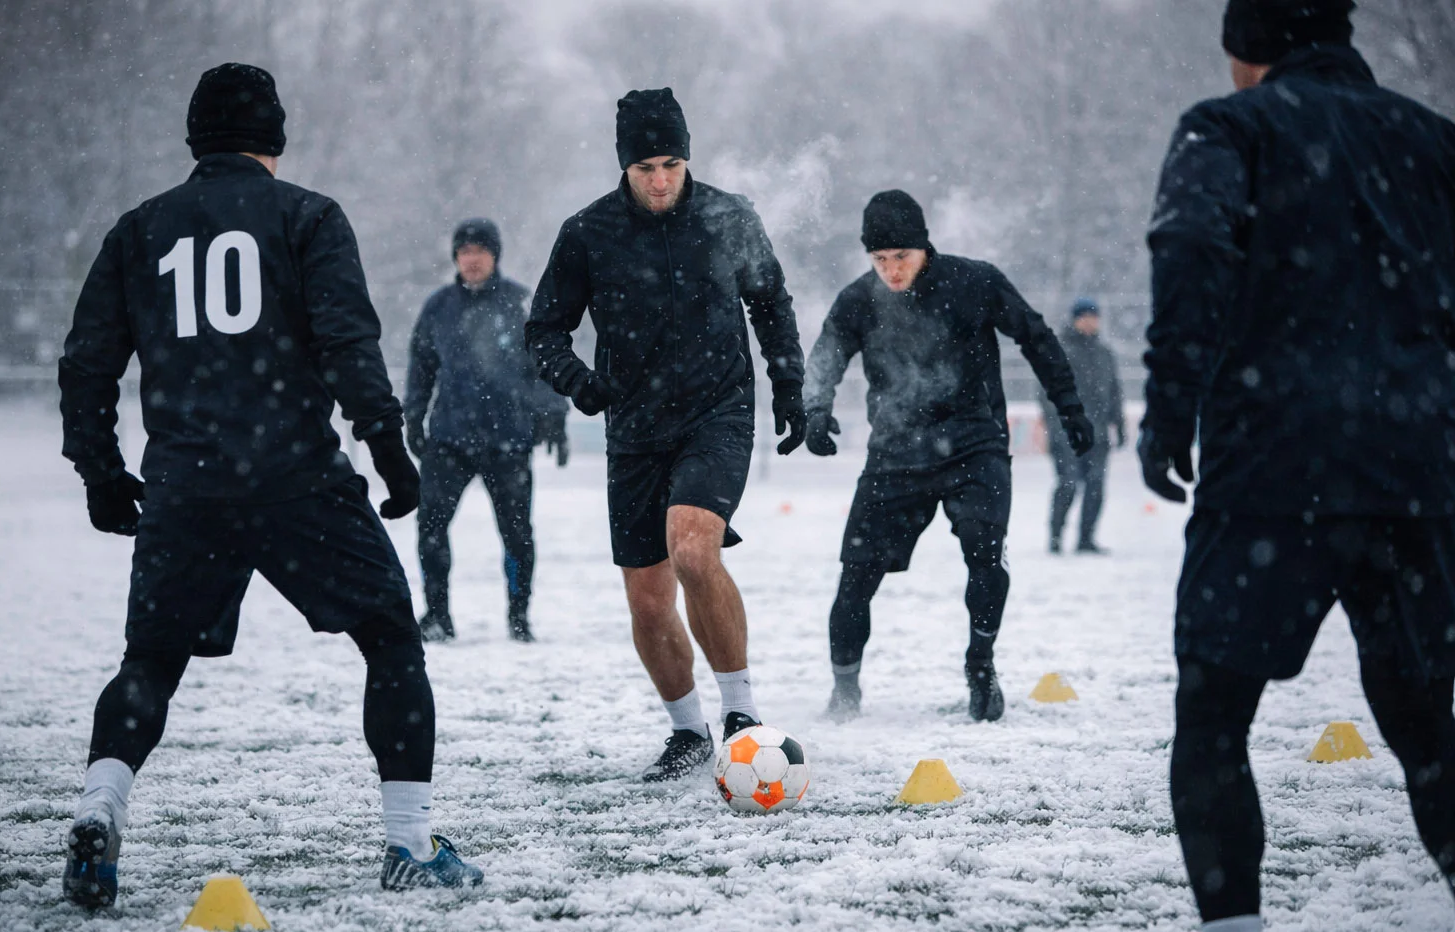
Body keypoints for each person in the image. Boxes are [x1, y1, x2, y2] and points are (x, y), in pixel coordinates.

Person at [57, 64, 482, 905]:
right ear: (274, 141)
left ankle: (100, 809)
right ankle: (409, 845)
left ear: (194, 140)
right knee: (392, 638)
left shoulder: (139, 229)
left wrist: (102, 473)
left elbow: (86, 366)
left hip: (187, 484)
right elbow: (347, 345)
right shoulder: (309, 216)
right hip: (296, 477)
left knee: (148, 663)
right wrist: (391, 454)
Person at [1139, 2, 1455, 932]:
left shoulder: (1226, 124)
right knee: (1427, 724)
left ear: (1247, 51)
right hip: (1416, 472)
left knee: (1214, 719)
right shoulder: (1435, 140)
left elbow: (1191, 249)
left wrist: (1169, 404)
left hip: (1273, 468)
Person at [526, 88, 807, 781]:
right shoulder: (587, 232)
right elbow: (543, 331)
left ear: (687, 159)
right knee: (649, 603)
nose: (659, 179)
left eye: (672, 163)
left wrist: (791, 384)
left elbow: (770, 304)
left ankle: (742, 713)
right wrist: (579, 381)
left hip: (719, 412)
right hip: (635, 429)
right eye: (646, 165)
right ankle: (688, 734)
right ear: (624, 166)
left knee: (691, 547)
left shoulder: (728, 215)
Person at [804, 190, 1093, 723]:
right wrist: (814, 411)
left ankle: (980, 665)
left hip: (973, 446)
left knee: (986, 558)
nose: (891, 270)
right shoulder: (858, 299)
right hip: (894, 454)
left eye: (902, 258)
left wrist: (1069, 407)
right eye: (880, 259)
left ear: (925, 248)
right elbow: (825, 354)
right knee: (854, 577)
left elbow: (1036, 336)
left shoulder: (975, 282)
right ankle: (845, 689)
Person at [404, 217, 569, 644]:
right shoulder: (438, 307)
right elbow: (421, 368)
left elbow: (544, 364)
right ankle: (437, 615)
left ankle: (519, 617)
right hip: (450, 439)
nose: (472, 259)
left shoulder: (519, 303)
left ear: (495, 256)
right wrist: (413, 418)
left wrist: (555, 415)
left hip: (507, 440)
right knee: (430, 528)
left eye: (480, 251)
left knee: (517, 534)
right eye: (464, 252)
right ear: (455, 258)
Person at [1040, 297, 1125, 554]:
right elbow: (1047, 393)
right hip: (1068, 433)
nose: (1089, 322)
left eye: (1093, 317)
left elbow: (1114, 392)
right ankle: (1055, 538)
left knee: (1096, 486)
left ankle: (1086, 539)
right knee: (1068, 483)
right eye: (1084, 317)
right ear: (1075, 319)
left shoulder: (1105, 354)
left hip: (1098, 434)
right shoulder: (1059, 350)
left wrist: (1118, 424)